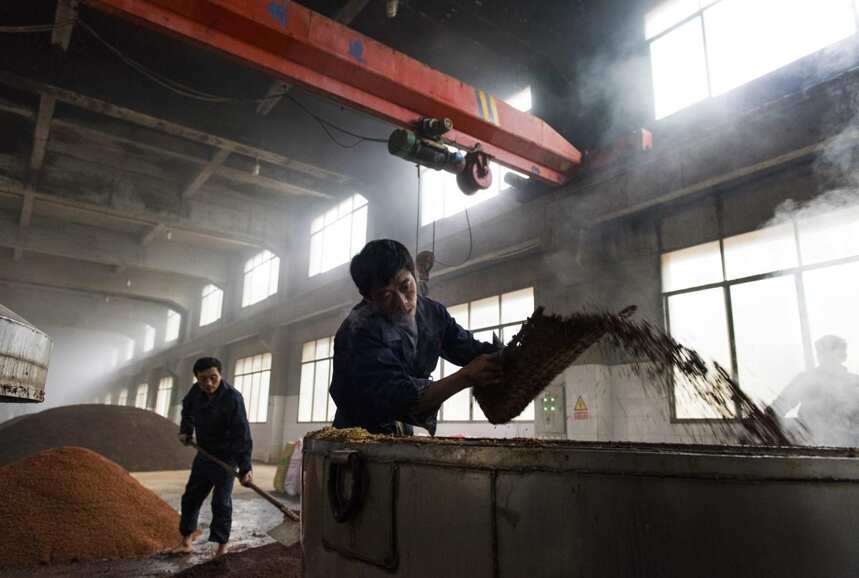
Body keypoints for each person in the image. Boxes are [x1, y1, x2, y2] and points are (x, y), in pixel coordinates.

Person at [329, 239, 503, 436]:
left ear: (414, 274)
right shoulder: (357, 332)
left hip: (400, 431)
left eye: (406, 286)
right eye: (386, 296)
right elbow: (399, 396)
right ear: (368, 297)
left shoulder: (432, 314)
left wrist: (506, 355)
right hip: (356, 437)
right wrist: (465, 377)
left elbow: (468, 349)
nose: (403, 303)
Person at [173, 357, 253, 557]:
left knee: (221, 502)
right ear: (197, 379)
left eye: (213, 378)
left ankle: (221, 547)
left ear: (220, 375)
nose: (208, 383)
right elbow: (187, 409)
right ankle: (186, 541)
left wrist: (245, 468)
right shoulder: (195, 392)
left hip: (226, 457)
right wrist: (186, 430)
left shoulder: (233, 398)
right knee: (191, 497)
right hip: (204, 453)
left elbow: (241, 433)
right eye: (202, 379)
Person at [769, 335, 859, 447]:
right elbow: (776, 409)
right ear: (819, 355)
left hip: (849, 451)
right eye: (822, 351)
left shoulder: (855, 383)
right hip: (811, 449)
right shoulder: (805, 380)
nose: (826, 355)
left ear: (843, 356)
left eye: (831, 349)